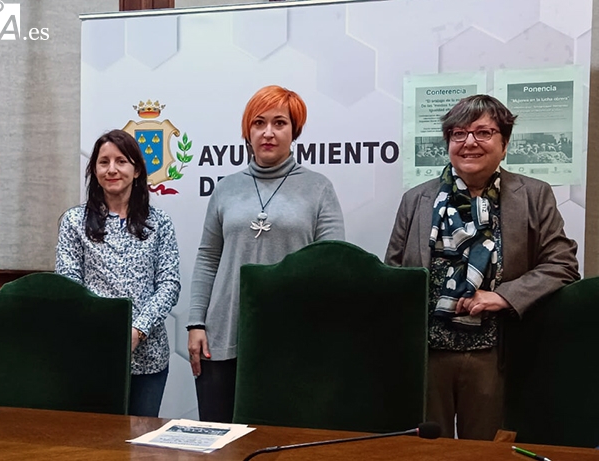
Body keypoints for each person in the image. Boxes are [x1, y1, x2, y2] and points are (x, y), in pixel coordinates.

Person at [385, 94, 579, 440]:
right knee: (427, 451)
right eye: (458, 134)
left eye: (483, 132)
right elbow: (394, 272)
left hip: (494, 354)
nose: (469, 142)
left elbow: (562, 264)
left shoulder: (533, 195)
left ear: (504, 145)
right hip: (429, 356)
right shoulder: (417, 200)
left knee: (488, 450)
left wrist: (502, 297)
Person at [187, 85, 346, 423]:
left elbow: (332, 266)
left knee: (281, 439)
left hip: (292, 337)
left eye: (280, 123)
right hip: (222, 335)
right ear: (248, 131)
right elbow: (207, 258)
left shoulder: (319, 188)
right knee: (220, 439)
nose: (268, 133)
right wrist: (196, 323)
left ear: (295, 131)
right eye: (259, 123)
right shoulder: (226, 187)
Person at [56, 129, 180, 417]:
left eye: (121, 161)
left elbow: (169, 284)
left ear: (136, 170)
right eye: (103, 162)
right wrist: (104, 331)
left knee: (139, 443)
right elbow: (68, 284)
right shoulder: (75, 222)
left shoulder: (159, 223)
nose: (112, 169)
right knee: (97, 443)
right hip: (93, 353)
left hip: (149, 357)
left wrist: (138, 330)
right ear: (94, 170)